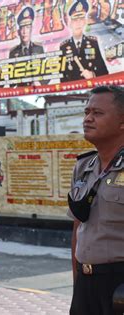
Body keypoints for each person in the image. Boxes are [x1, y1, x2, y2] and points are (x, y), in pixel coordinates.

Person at [68, 85, 124, 315]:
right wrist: (77, 280)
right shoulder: (83, 166)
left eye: (97, 113)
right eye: (86, 112)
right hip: (86, 283)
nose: (88, 119)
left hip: (119, 283)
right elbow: (78, 226)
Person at [60, 0, 108, 82]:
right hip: (73, 90)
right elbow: (62, 75)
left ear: (85, 21)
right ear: (70, 23)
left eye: (81, 19)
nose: (78, 23)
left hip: (92, 88)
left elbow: (103, 71)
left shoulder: (93, 42)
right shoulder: (63, 46)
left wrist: (92, 74)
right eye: (75, 20)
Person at [8, 6, 45, 87]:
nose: (24, 32)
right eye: (22, 28)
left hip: (38, 89)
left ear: (32, 29)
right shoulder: (13, 53)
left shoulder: (39, 49)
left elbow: (47, 71)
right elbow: (10, 78)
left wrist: (40, 83)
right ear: (18, 32)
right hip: (21, 91)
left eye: (27, 28)